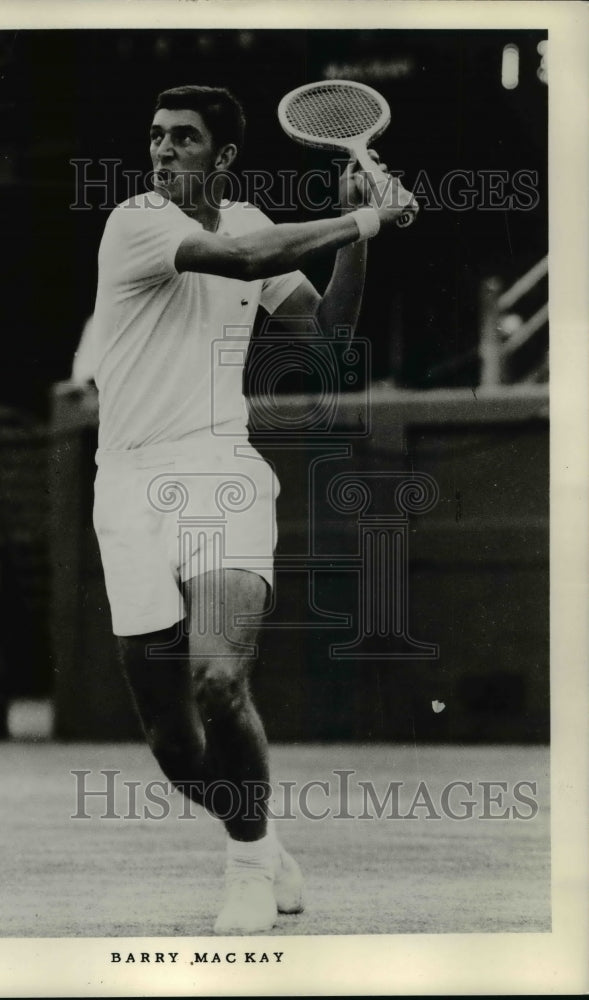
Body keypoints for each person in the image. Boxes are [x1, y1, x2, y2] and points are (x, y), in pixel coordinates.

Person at [90, 85, 415, 934]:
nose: (162, 152)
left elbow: (327, 345)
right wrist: (369, 220)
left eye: (184, 140)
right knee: (171, 740)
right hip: (125, 487)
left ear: (223, 158)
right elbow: (241, 263)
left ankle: (241, 873)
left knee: (218, 676)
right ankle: (261, 839)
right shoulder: (137, 222)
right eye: (156, 136)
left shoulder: (249, 222)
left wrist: (355, 238)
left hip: (220, 472)